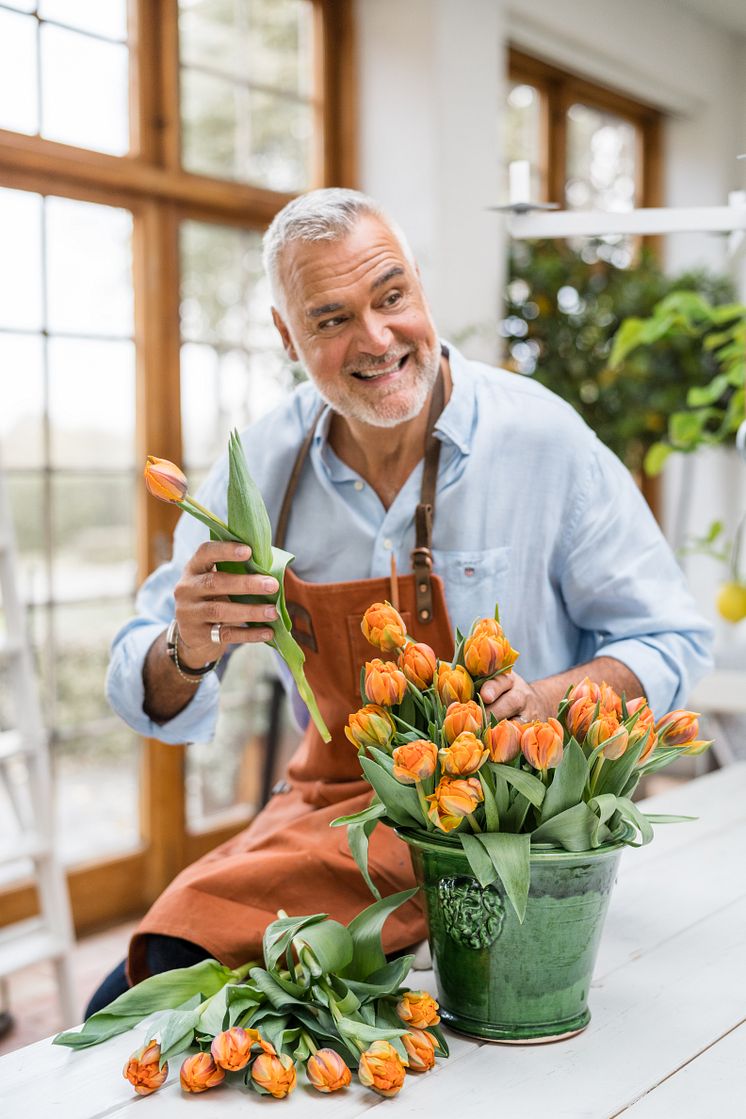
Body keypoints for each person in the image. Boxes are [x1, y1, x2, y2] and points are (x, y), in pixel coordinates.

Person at [88, 188, 712, 1015]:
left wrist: (545, 703)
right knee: (141, 980)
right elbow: (150, 686)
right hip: (330, 814)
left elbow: (671, 635)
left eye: (391, 297)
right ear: (287, 336)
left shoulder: (542, 440)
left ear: (420, 284)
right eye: (331, 317)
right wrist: (185, 646)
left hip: (495, 824)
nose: (376, 339)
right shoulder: (265, 465)